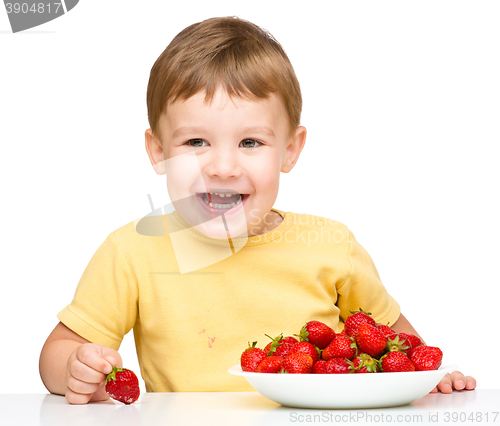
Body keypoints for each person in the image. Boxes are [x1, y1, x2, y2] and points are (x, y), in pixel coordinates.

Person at [39, 16, 476, 404]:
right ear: (157, 151)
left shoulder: (330, 244)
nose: (224, 167)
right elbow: (55, 355)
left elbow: (398, 345)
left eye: (250, 143)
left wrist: (428, 377)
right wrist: (77, 367)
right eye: (196, 142)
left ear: (290, 150)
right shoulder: (132, 250)